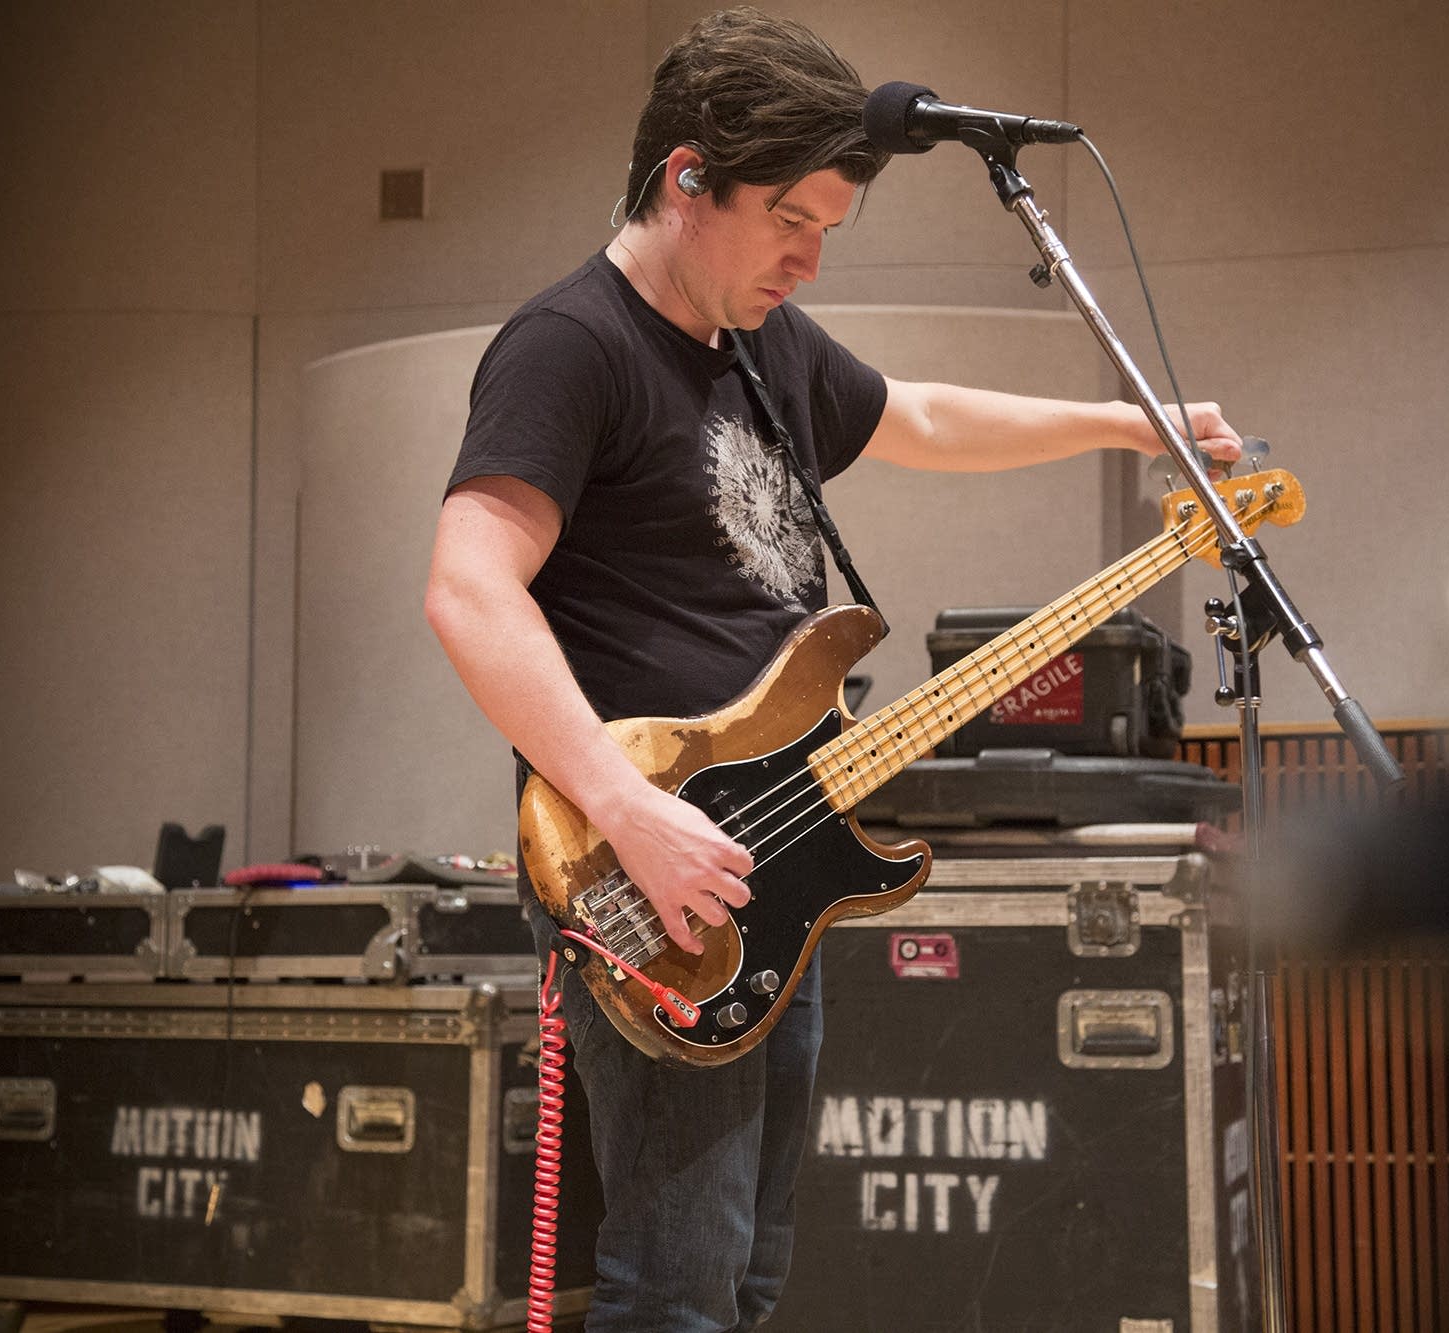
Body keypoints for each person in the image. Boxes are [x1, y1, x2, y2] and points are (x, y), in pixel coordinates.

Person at [422, 10, 1242, 1331]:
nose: (808, 259)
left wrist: (1127, 424)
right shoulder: (570, 344)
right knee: (675, 1285)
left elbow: (912, 413)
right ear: (687, 179)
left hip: (777, 853)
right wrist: (634, 813)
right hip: (651, 867)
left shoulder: (764, 345)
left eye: (830, 231)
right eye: (789, 220)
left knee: (745, 1274)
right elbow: (467, 586)